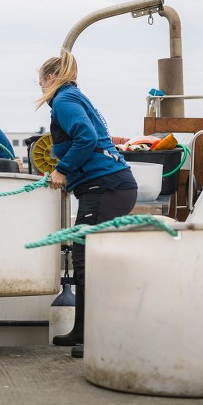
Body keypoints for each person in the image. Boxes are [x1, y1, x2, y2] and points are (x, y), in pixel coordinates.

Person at [36, 49, 138, 359]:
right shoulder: (74, 97)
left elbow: (86, 138)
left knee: (86, 259)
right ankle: (82, 330)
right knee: (86, 257)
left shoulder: (64, 101)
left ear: (50, 78)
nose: (40, 88)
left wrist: (62, 170)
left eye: (40, 82)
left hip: (106, 186)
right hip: (108, 185)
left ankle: (96, 336)